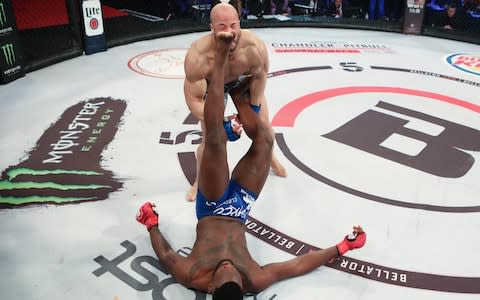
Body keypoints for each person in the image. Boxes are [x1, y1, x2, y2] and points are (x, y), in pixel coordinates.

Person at [137, 31, 367, 298]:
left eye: (223, 274)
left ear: (210, 287)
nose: (228, 267)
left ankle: (218, 71)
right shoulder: (254, 278)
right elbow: (294, 266)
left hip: (211, 207)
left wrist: (151, 223)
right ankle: (237, 93)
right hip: (238, 210)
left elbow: (166, 255)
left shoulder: (192, 273)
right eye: (234, 273)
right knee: (266, 142)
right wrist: (342, 247)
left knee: (215, 140)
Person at [183, 1, 287, 202]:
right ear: (212, 28)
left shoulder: (253, 46)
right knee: (210, 141)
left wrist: (254, 109)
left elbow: (260, 75)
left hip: (242, 80)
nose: (229, 32)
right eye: (222, 27)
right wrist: (220, 122)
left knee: (264, 128)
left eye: (233, 25)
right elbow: (194, 99)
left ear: (240, 23)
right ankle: (199, 181)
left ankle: (270, 157)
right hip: (212, 85)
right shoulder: (199, 56)